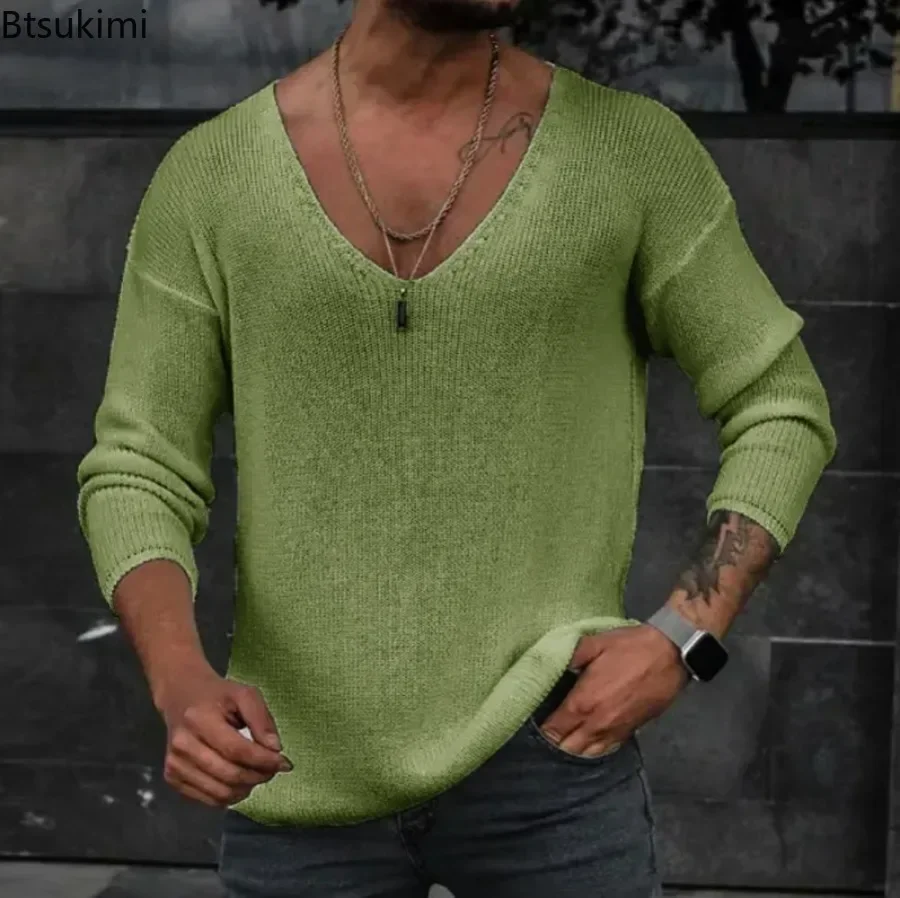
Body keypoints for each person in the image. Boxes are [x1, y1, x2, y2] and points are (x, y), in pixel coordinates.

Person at [75, 0, 837, 895]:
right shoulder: (213, 178)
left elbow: (780, 404)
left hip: (553, 767)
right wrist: (180, 683)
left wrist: (683, 635)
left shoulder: (629, 154)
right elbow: (139, 467)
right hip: (297, 772)